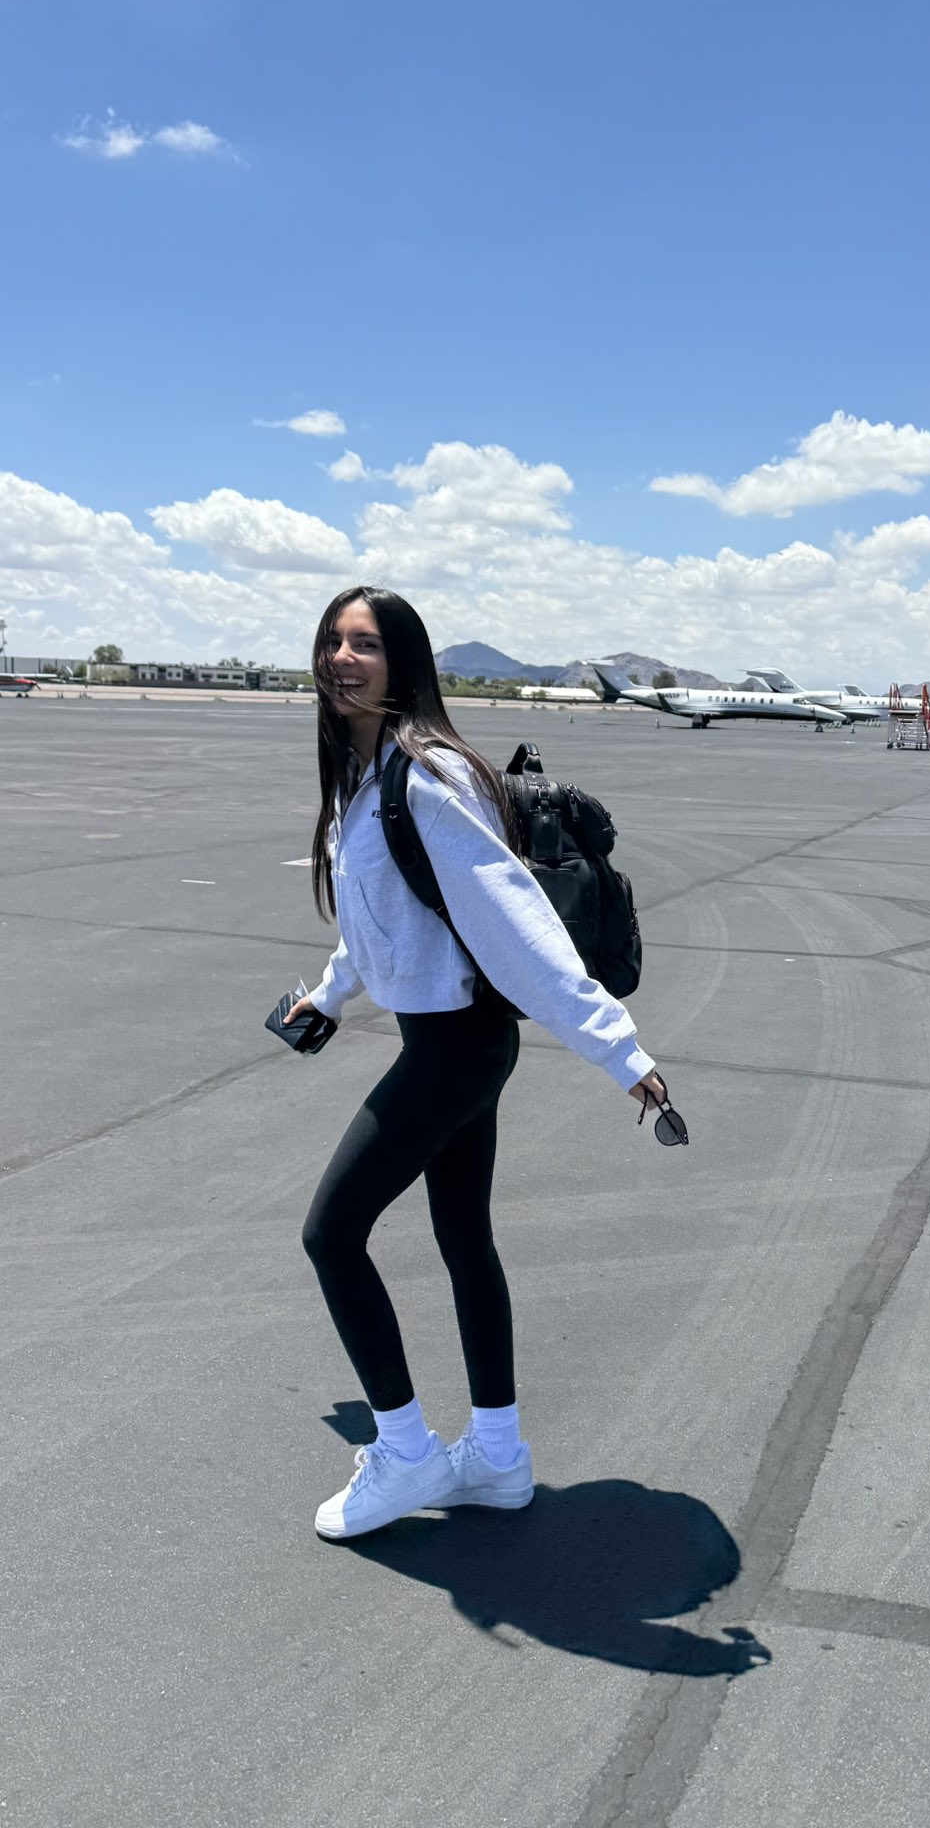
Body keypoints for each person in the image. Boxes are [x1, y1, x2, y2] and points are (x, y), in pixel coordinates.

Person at [286, 585, 667, 1542]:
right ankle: (497, 1458)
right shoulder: (368, 776)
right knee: (463, 1239)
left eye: (365, 644)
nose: (342, 658)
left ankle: (406, 1451)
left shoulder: (428, 775)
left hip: (457, 1048)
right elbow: (380, 921)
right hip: (448, 1040)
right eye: (332, 641)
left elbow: (515, 921)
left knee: (331, 1235)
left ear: (404, 663)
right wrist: (328, 995)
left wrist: (616, 1048)